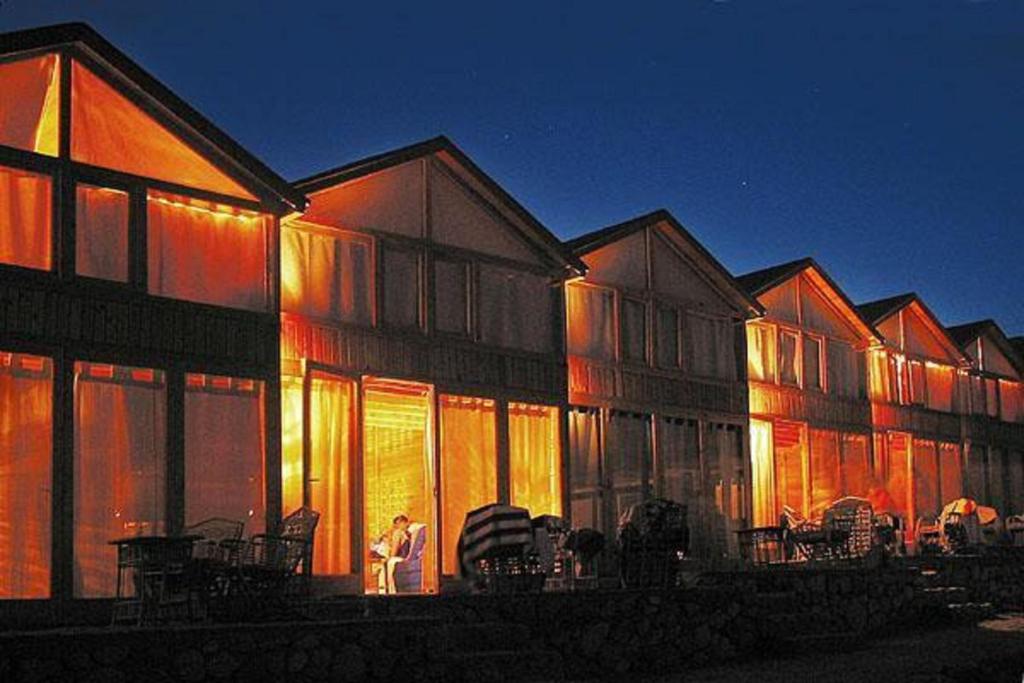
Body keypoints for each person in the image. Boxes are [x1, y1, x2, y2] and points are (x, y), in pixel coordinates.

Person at [375, 515, 411, 594]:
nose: (397, 526)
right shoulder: (406, 533)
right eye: (396, 524)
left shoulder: (398, 532)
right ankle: (384, 589)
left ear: (405, 523)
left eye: (399, 523)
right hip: (403, 557)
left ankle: (384, 589)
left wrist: (389, 558)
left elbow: (395, 549)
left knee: (382, 564)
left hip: (400, 558)